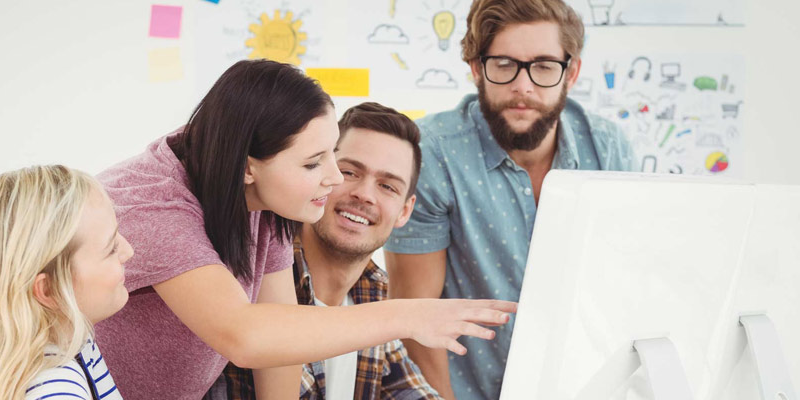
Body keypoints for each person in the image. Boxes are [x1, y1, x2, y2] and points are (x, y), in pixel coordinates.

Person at [93, 59, 518, 400]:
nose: (334, 179)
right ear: (247, 167)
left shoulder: (264, 194)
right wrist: (408, 313)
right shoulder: (156, 206)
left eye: (331, 154)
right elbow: (245, 335)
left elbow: (277, 351)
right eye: (314, 163)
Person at [384, 0, 636, 398]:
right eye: (503, 64)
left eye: (543, 66)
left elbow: (626, 289)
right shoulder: (431, 153)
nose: (524, 86)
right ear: (475, 69)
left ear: (570, 73)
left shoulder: (608, 150)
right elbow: (417, 322)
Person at [217, 103, 442, 399]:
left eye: (388, 186)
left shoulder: (372, 296)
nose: (364, 194)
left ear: (405, 211)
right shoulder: (245, 284)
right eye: (349, 172)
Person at [0, 165, 134, 400]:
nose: (128, 251)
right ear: (49, 290)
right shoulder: (56, 390)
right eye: (111, 248)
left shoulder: (74, 344)